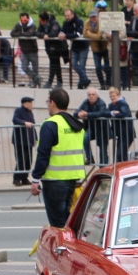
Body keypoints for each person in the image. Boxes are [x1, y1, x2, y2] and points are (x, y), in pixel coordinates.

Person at [30, 88, 87, 227]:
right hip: (73, 178)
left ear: (53, 103)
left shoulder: (51, 124)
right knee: (68, 222)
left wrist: (35, 178)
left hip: (54, 180)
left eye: (47, 101)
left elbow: (43, 154)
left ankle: (62, 248)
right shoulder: (76, 125)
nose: (47, 105)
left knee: (57, 224)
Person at [77, 87, 110, 165]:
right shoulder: (85, 102)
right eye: (89, 95)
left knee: (103, 150)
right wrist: (78, 114)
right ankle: (89, 157)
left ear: (97, 96)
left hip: (102, 130)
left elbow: (101, 113)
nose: (91, 96)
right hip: (91, 128)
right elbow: (77, 111)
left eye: (93, 94)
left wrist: (87, 114)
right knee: (84, 137)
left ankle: (103, 168)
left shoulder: (101, 103)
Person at [58, 8, 90, 90]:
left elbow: (78, 34)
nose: (67, 17)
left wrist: (66, 36)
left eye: (68, 15)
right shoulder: (65, 23)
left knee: (82, 65)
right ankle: (85, 80)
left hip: (83, 46)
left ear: (72, 15)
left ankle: (81, 84)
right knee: (74, 64)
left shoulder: (79, 21)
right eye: (65, 16)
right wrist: (61, 34)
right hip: (74, 47)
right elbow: (62, 31)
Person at [11, 13, 40, 88]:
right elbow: (12, 33)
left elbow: (30, 33)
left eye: (25, 20)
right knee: (24, 67)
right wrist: (22, 34)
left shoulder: (32, 25)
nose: (23, 21)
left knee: (35, 68)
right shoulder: (18, 25)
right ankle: (37, 78)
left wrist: (19, 34)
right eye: (22, 20)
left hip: (33, 50)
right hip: (24, 51)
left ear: (28, 19)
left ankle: (35, 82)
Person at [106, 87, 135, 163]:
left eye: (114, 96)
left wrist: (114, 114)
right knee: (121, 155)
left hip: (127, 133)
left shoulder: (123, 103)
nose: (112, 98)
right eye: (111, 96)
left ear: (118, 95)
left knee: (120, 154)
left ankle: (125, 169)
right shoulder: (111, 105)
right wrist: (113, 113)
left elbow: (123, 114)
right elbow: (106, 113)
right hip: (120, 134)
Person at [83, 11, 109, 90]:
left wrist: (90, 34)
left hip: (105, 47)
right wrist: (91, 35)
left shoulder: (102, 22)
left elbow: (99, 36)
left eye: (95, 16)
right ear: (89, 17)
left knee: (107, 67)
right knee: (97, 67)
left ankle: (108, 83)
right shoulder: (87, 23)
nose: (94, 18)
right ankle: (102, 84)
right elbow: (84, 34)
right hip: (95, 49)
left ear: (97, 16)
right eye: (92, 17)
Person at [37, 12, 63, 88]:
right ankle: (58, 81)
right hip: (49, 48)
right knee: (55, 64)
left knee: (54, 64)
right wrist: (43, 35)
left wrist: (47, 35)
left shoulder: (54, 23)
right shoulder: (42, 24)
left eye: (40, 21)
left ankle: (51, 82)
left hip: (57, 47)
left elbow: (54, 33)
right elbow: (37, 32)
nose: (39, 22)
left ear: (45, 20)